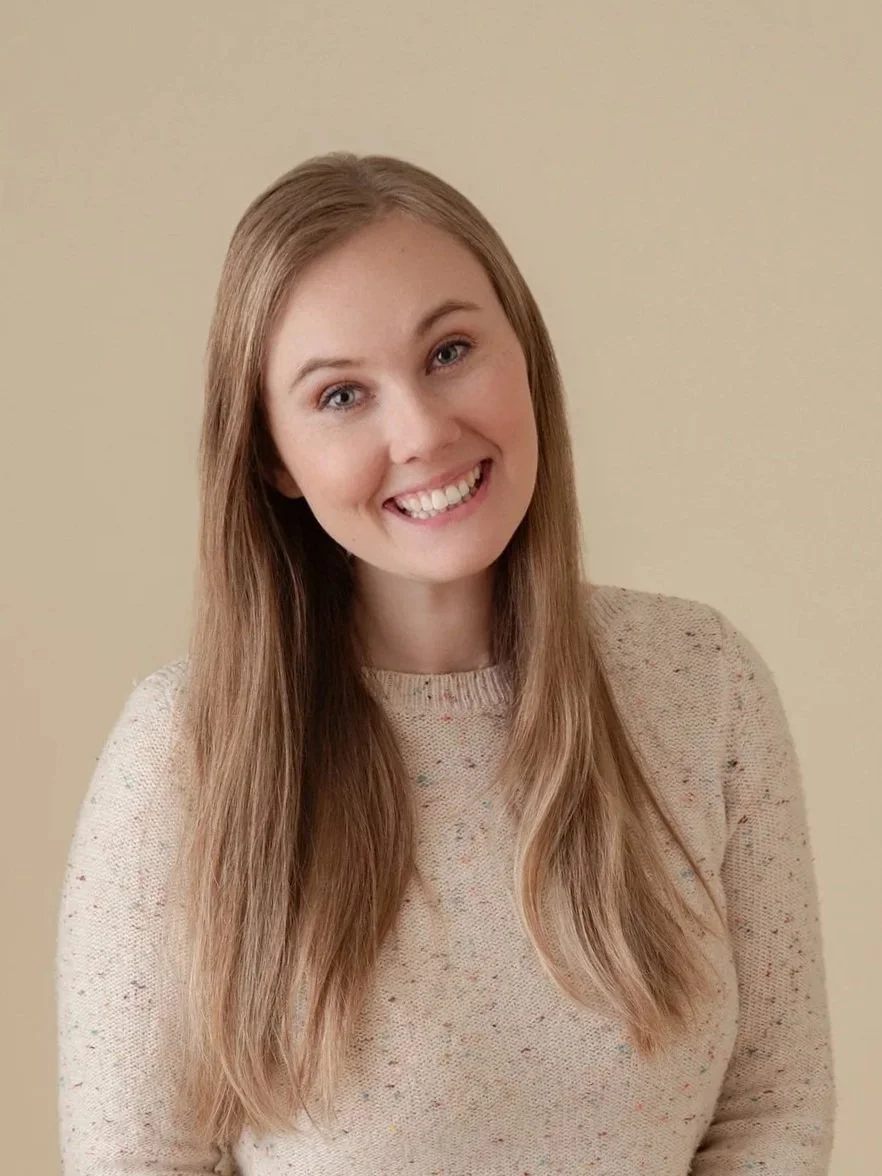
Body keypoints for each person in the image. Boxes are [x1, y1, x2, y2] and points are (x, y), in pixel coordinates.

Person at [56, 151, 836, 1174]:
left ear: (527, 356)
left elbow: (772, 1110)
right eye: (341, 397)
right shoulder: (185, 754)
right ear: (273, 461)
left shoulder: (703, 686)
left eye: (450, 350)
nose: (422, 431)